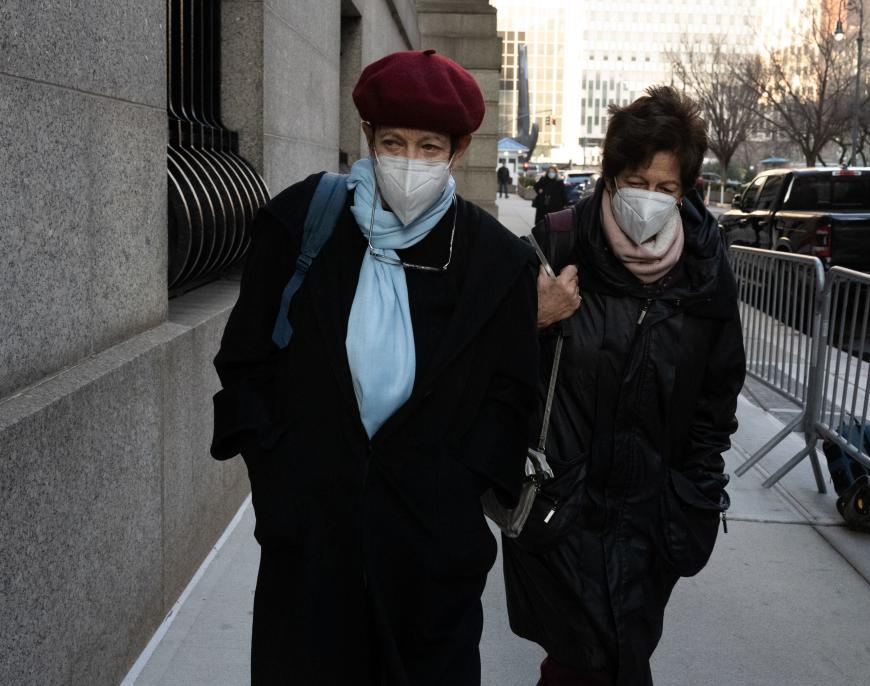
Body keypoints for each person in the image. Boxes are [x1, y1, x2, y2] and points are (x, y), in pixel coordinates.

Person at [211, 49, 539, 685]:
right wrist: (280, 488)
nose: (409, 162)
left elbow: (510, 399)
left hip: (430, 570)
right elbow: (246, 361)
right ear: (366, 136)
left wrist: (451, 498)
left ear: (459, 147)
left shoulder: (497, 264)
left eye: (428, 145)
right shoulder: (301, 222)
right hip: (310, 553)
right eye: (393, 142)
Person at [503, 85, 746, 686]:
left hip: (652, 516)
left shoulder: (705, 270)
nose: (650, 199)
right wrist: (531, 318)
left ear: (686, 191)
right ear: (610, 178)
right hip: (564, 509)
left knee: (623, 651)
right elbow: (493, 372)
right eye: (637, 181)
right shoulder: (556, 248)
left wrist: (695, 492)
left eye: (666, 188)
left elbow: (716, 398)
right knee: (582, 661)